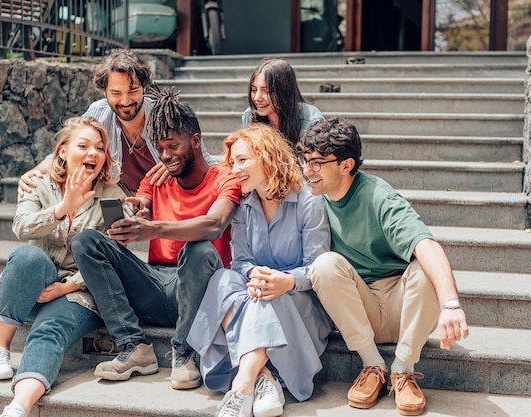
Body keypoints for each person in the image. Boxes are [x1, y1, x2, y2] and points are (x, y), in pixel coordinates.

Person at [70, 88, 241, 390]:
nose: (165, 156)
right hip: (153, 284)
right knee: (86, 241)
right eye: (160, 149)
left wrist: (156, 229)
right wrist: (134, 211)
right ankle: (134, 346)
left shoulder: (225, 178)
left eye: (173, 146)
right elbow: (144, 205)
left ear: (196, 142)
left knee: (200, 248)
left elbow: (214, 225)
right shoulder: (156, 176)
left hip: (198, 288)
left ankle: (185, 352)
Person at [297, 118, 470, 416]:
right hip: (361, 309)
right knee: (324, 265)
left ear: (346, 165)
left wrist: (451, 305)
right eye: (305, 161)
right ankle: (373, 365)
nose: (306, 170)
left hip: (406, 309)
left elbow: (427, 246)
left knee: (423, 266)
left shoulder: (379, 197)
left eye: (316, 163)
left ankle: (403, 370)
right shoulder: (314, 200)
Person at [186, 123, 333, 417]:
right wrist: (256, 277)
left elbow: (318, 268)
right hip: (257, 294)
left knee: (265, 296)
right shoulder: (243, 205)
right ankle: (264, 377)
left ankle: (241, 386)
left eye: (242, 160)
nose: (234, 169)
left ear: (267, 157)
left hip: (299, 302)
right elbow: (240, 262)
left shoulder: (308, 201)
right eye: (232, 162)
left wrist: (286, 281)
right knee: (223, 277)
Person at [0, 116, 125, 417]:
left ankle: (18, 407)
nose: (93, 153)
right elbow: (21, 227)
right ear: (62, 151)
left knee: (50, 328)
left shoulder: (112, 197)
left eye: (100, 148)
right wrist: (64, 208)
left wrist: (68, 285)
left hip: (80, 292)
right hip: (34, 285)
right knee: (28, 257)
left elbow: (115, 256)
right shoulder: (41, 186)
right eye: (84, 145)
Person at [17, 48, 217, 198]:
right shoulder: (98, 113)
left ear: (144, 88)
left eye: (133, 91)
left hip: (167, 195)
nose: (126, 101)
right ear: (104, 91)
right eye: (116, 93)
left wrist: (178, 162)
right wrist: (36, 172)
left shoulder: (165, 113)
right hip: (119, 196)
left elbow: (204, 160)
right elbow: (65, 152)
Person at [242, 58, 324, 149]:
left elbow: (316, 160)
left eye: (266, 91)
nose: (257, 98)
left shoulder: (311, 119)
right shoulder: (249, 115)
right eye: (253, 90)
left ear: (284, 92)